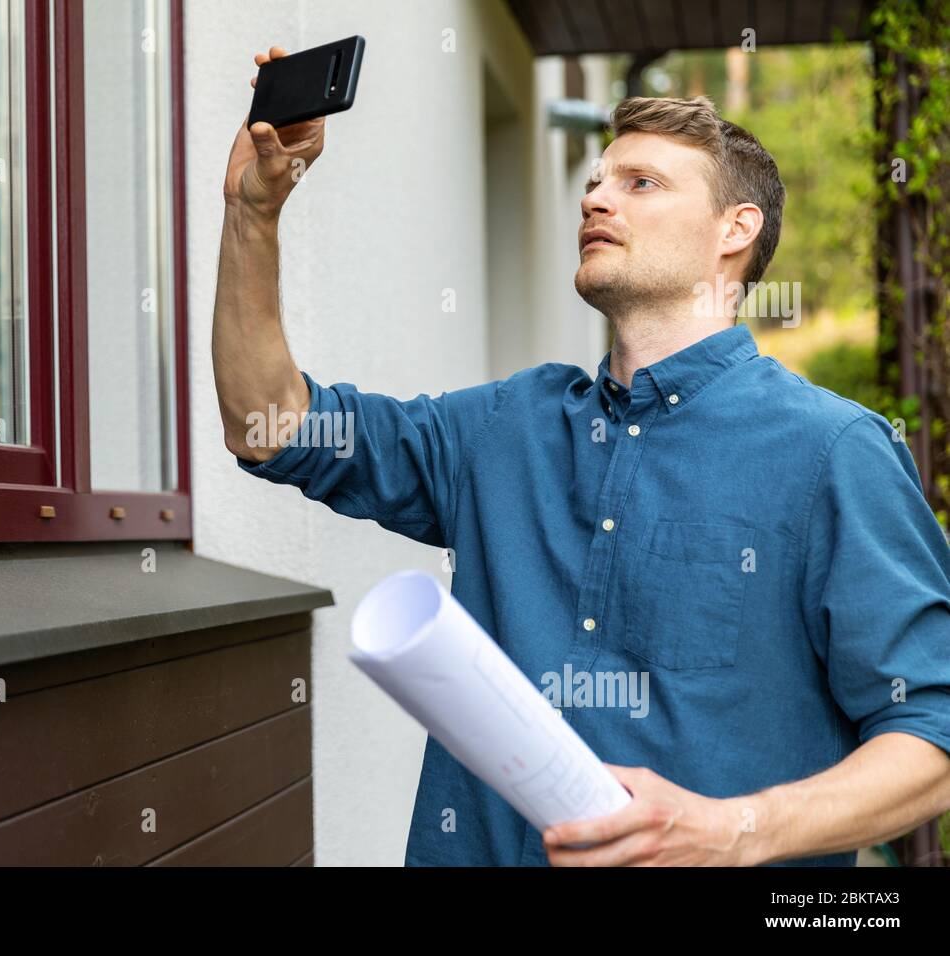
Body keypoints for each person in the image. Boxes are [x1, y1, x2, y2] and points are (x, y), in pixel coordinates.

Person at [212, 46, 950, 866]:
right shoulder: (503, 426)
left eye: (641, 183)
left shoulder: (836, 453)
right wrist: (253, 214)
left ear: (734, 232)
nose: (596, 196)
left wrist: (732, 831)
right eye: (597, 180)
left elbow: (932, 736)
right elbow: (269, 425)